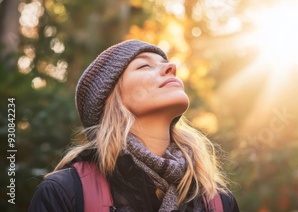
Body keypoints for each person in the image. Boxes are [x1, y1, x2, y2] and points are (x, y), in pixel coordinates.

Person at [29, 40, 239, 212]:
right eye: (145, 65)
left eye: (165, 63)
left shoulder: (219, 202)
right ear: (110, 98)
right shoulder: (65, 192)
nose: (171, 67)